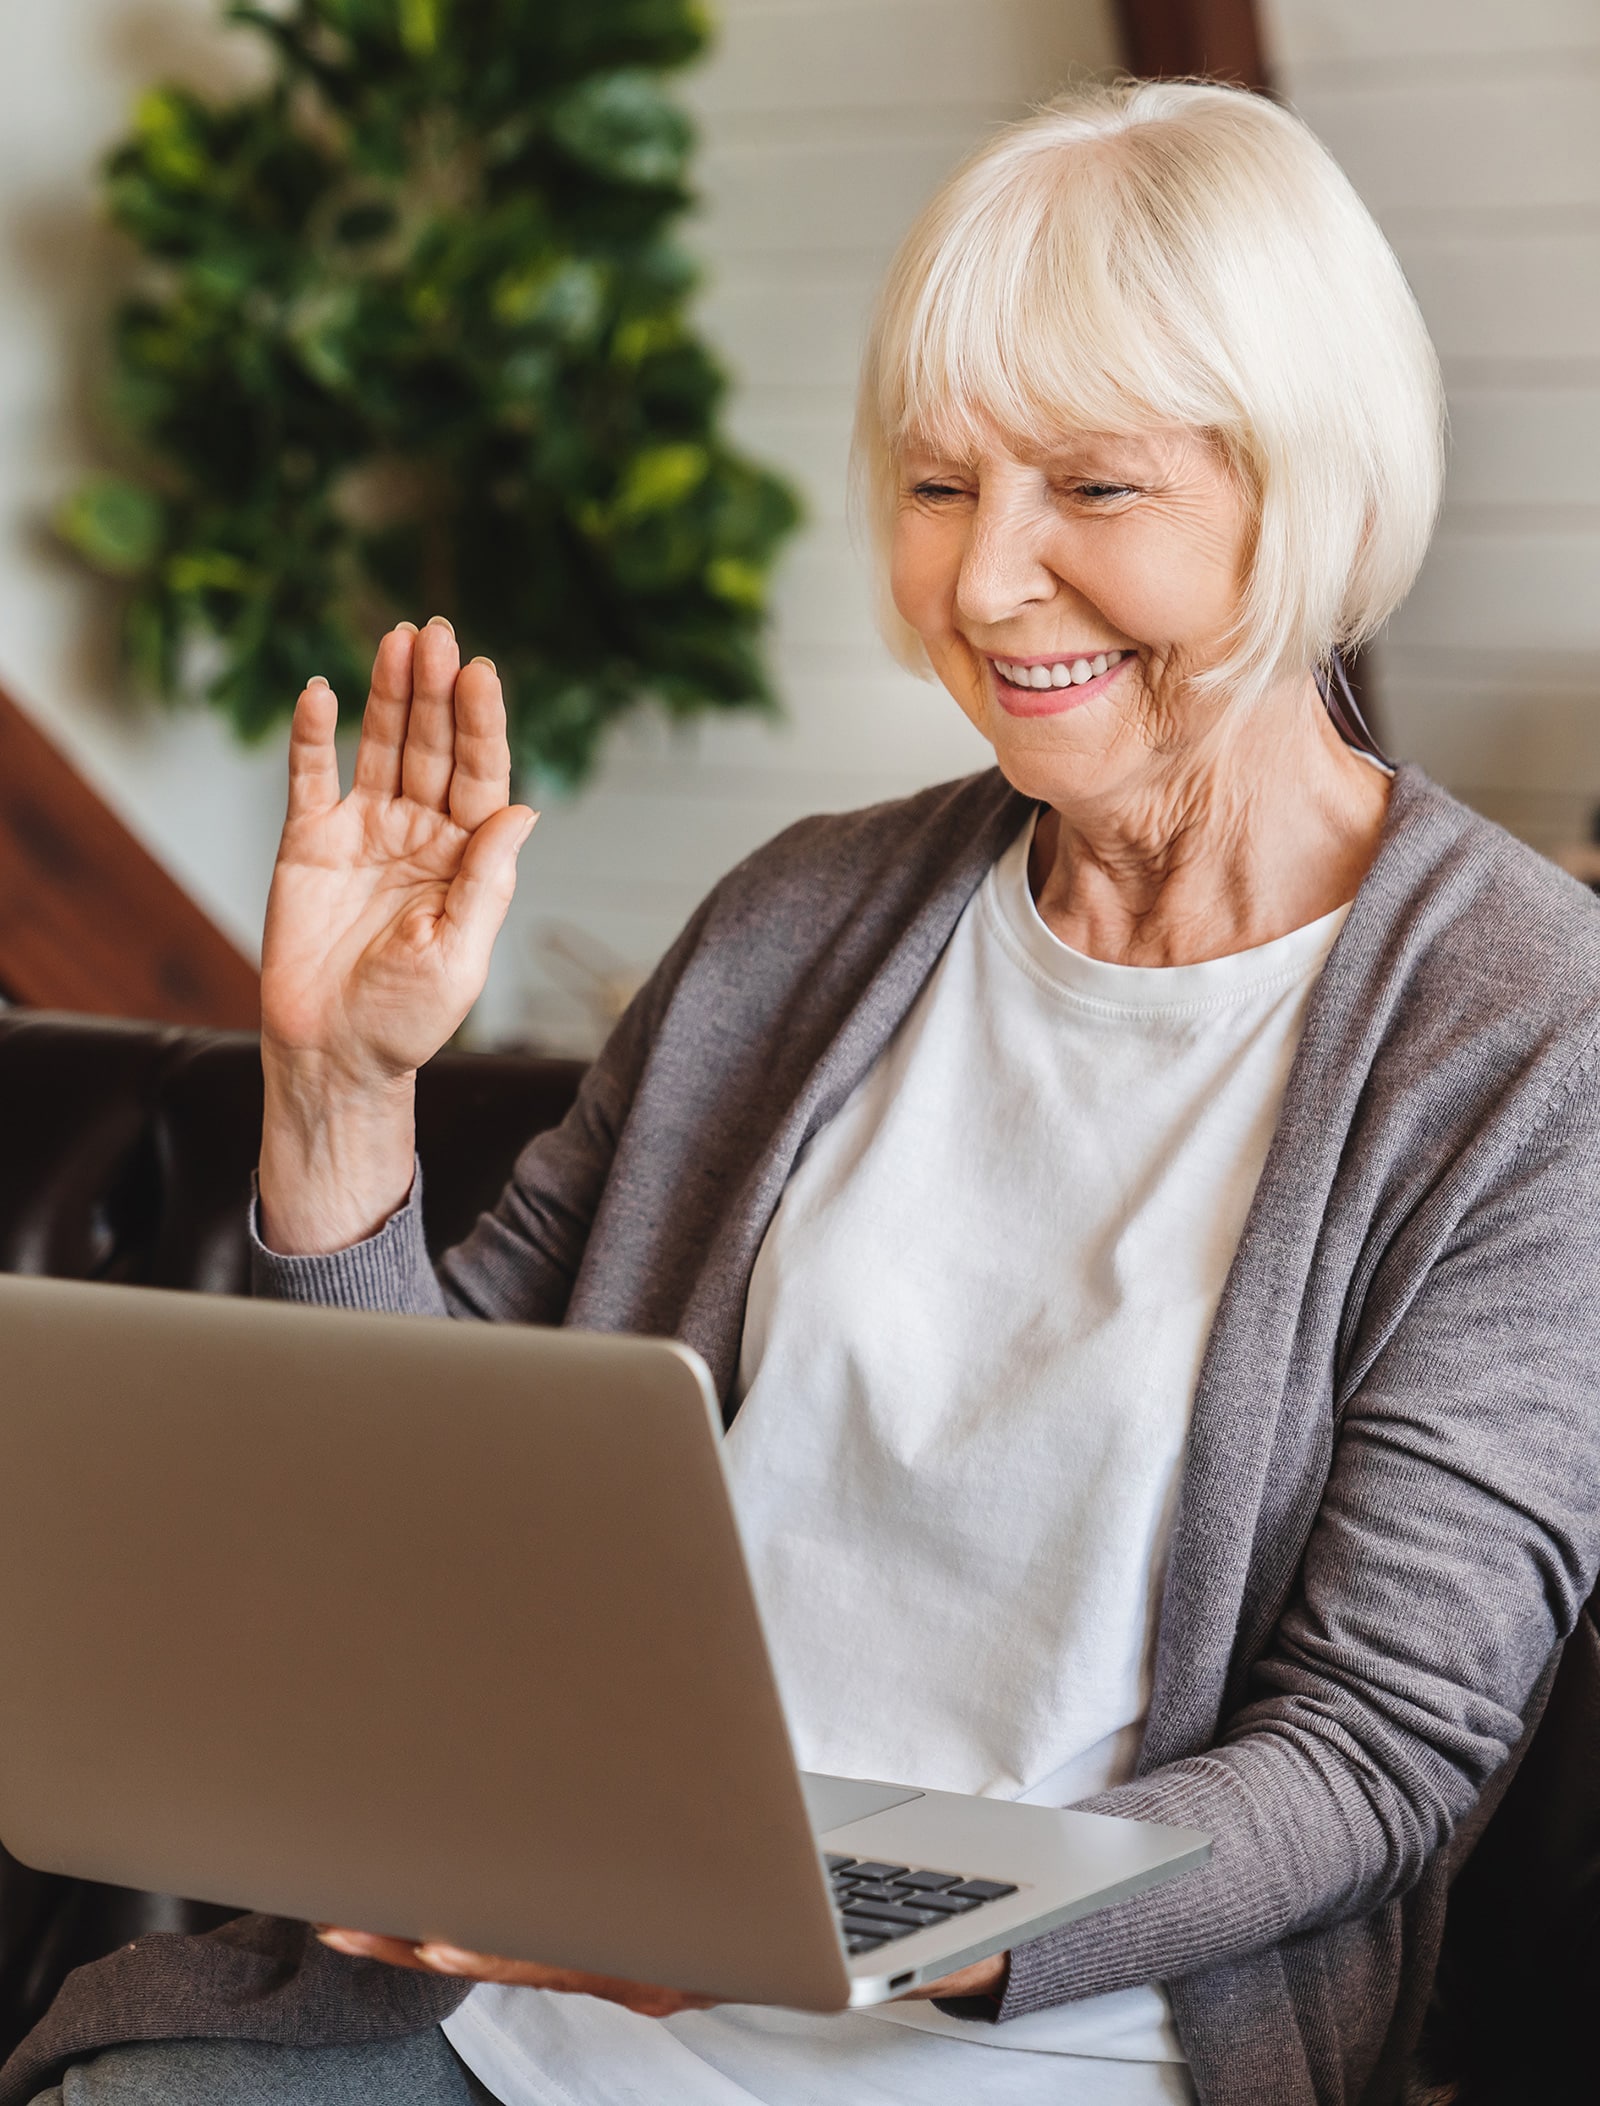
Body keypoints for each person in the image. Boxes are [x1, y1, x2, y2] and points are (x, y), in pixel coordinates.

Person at [13, 77, 1600, 2106]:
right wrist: (337, 1090)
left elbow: (1372, 1757)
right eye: (939, 487)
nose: (989, 581)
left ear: (1304, 492)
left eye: (1092, 492)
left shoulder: (1523, 1034)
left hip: (1044, 2060)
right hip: (530, 2007)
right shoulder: (806, 915)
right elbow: (442, 1518)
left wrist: (836, 1922)